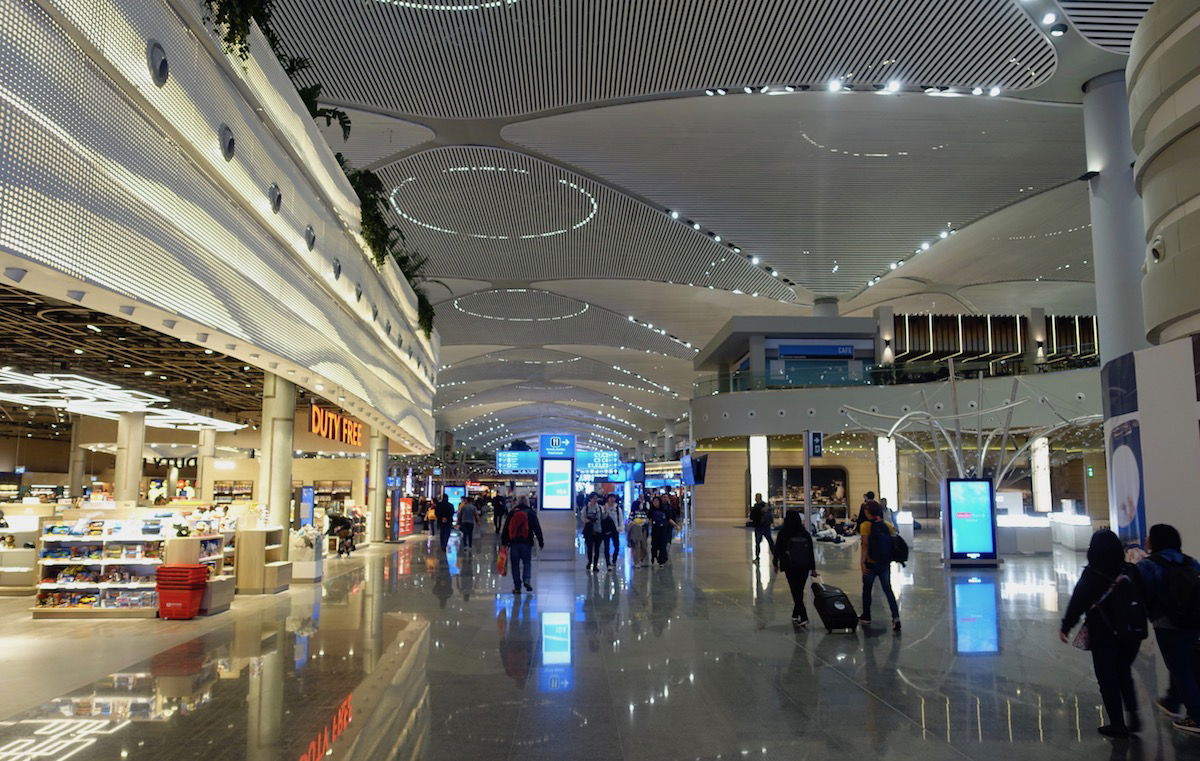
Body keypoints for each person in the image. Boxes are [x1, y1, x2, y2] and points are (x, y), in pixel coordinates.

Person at [1060, 529, 1147, 738]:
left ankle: (1117, 723)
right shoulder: (1130, 570)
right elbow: (1144, 597)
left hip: (1104, 633)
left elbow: (1078, 602)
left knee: (1107, 677)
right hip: (1131, 634)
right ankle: (1133, 715)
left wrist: (1066, 626)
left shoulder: (1093, 573)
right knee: (1123, 671)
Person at [1135, 523, 1200, 734]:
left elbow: (1139, 593)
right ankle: (1172, 701)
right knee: (1186, 663)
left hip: (1167, 624)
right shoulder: (1191, 562)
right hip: (1193, 622)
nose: (1146, 539)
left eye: (1149, 536)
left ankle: (1197, 717)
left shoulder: (1149, 565)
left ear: (1157, 540)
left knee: (1181, 669)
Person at [859, 501, 901, 632]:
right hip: (884, 563)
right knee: (888, 590)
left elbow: (865, 545)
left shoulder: (865, 526)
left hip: (871, 563)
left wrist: (862, 561)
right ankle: (895, 616)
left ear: (868, 511)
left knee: (867, 590)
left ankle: (866, 616)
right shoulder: (887, 525)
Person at [773, 510, 819, 626]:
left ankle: (803, 616)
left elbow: (777, 549)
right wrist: (813, 568)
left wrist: (775, 563)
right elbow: (810, 552)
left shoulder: (783, 533)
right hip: (804, 566)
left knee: (796, 591)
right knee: (798, 590)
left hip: (790, 565)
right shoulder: (804, 533)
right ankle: (795, 614)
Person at [501, 496, 544, 593]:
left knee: (515, 565)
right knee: (527, 563)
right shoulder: (531, 513)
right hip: (526, 543)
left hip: (514, 543)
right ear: (527, 502)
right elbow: (536, 527)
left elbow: (506, 528)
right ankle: (527, 580)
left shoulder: (512, 512)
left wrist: (504, 542)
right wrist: (541, 541)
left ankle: (517, 587)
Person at [649, 496, 679, 567]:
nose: (655, 503)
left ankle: (661, 561)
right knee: (654, 545)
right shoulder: (651, 511)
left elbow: (669, 519)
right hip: (655, 530)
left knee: (662, 545)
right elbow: (649, 520)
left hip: (663, 530)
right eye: (654, 501)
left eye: (657, 501)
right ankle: (654, 557)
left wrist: (676, 525)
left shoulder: (664, 510)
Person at [748, 492, 775, 562]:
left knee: (757, 543)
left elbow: (752, 517)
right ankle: (775, 556)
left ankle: (757, 558)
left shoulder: (756, 506)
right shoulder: (765, 505)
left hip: (759, 527)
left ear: (757, 498)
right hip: (766, 526)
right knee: (770, 542)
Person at [581, 494, 603, 572]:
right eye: (594, 498)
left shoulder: (600, 508)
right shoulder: (586, 508)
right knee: (589, 548)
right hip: (589, 531)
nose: (595, 500)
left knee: (597, 549)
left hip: (598, 531)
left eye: (596, 498)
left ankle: (595, 565)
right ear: (590, 499)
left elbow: (603, 517)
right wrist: (588, 520)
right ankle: (590, 561)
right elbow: (582, 517)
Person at [601, 494, 623, 569]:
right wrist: (606, 511)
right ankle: (608, 563)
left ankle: (614, 560)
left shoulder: (617, 509)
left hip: (615, 530)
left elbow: (620, 519)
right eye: (610, 498)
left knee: (617, 546)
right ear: (608, 499)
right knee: (606, 547)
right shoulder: (604, 508)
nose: (612, 499)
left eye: (613, 498)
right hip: (606, 530)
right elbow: (602, 518)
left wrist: (620, 528)